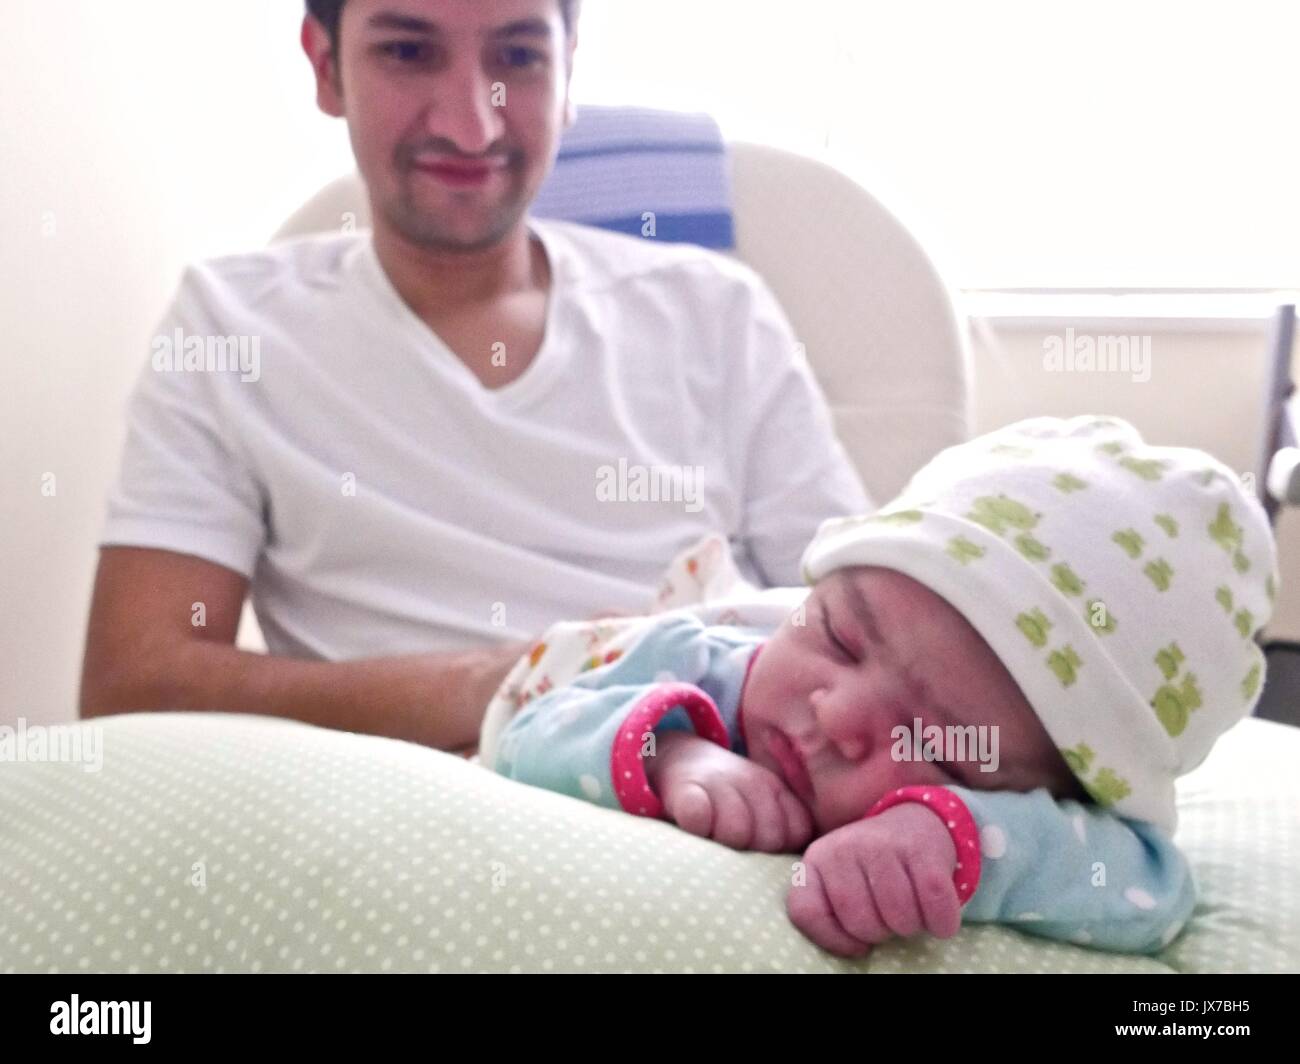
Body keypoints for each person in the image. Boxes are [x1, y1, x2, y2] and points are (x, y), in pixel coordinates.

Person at [78, 0, 868, 751]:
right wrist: (507, 683)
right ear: (326, 68)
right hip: (389, 820)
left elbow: (867, 631)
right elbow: (135, 681)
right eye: (408, 51)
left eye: (517, 57)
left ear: (568, 78)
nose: (470, 122)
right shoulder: (230, 328)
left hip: (717, 797)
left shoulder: (716, 313)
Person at [478, 415, 1278, 956]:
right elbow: (531, 727)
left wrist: (951, 837)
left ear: (1062, 790)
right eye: (840, 636)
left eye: (934, 744)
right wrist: (677, 755)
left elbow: (1151, 885)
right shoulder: (707, 663)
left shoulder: (1059, 815)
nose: (839, 711)